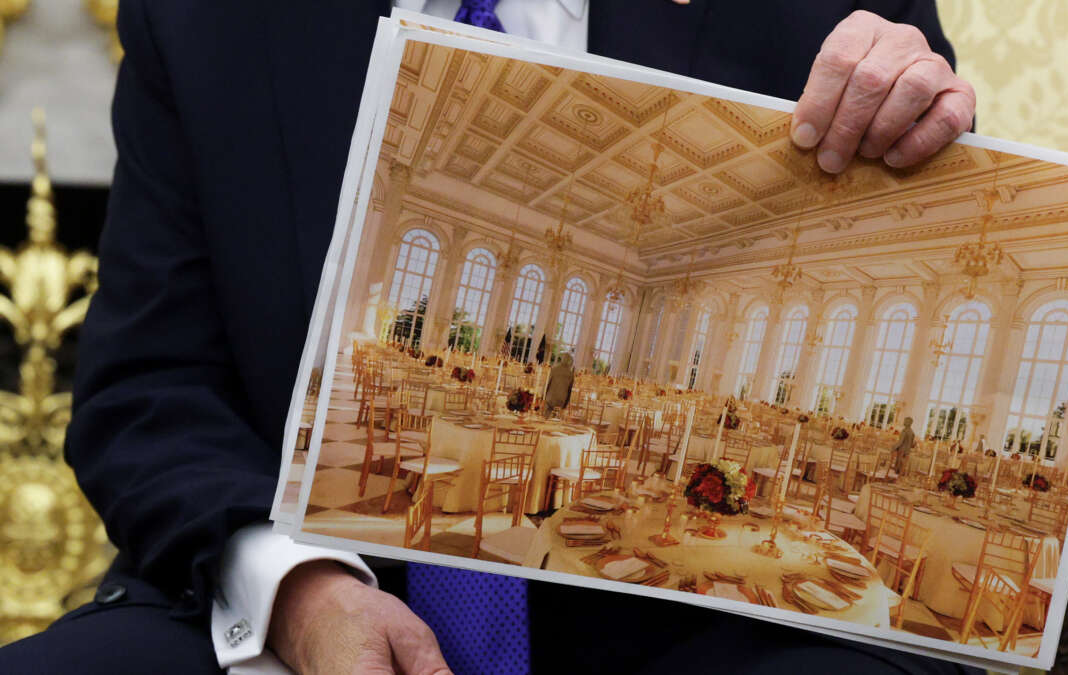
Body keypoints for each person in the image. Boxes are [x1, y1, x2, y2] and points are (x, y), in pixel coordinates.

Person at [0, 1, 977, 674]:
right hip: (303, 603)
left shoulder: (822, 16)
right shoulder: (209, 18)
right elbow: (150, 397)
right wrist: (301, 592)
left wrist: (926, 137)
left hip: (704, 630)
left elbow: (938, 318)